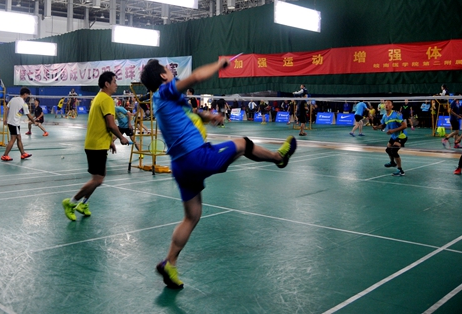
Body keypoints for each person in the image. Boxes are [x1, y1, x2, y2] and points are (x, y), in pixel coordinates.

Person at [138, 58, 296, 289]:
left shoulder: (159, 100)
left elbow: (189, 111)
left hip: (180, 166)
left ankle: (169, 263)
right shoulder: (166, 90)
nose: (170, 71)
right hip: (196, 157)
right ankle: (278, 158)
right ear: (163, 76)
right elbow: (196, 77)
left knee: (192, 216)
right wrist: (218, 65)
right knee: (243, 143)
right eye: (166, 69)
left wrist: (209, 117)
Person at [62, 72, 129, 221]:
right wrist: (121, 137)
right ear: (107, 84)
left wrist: (110, 141)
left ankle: (83, 204)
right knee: (97, 180)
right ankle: (71, 202)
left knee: (99, 178)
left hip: (97, 143)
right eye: (114, 81)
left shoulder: (98, 97)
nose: (116, 85)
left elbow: (99, 123)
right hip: (96, 146)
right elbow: (111, 124)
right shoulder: (106, 99)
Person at [374, 100, 408, 176]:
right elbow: (383, 125)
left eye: (388, 103)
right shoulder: (384, 116)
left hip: (401, 136)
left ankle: (400, 170)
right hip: (393, 136)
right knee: (388, 150)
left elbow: (404, 126)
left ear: (392, 106)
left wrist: (393, 130)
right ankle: (392, 162)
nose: (386, 104)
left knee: (394, 151)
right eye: (385, 103)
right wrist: (377, 127)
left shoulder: (396, 115)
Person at [1, 87, 35, 161]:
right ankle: (5, 155)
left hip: (10, 122)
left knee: (19, 137)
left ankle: (23, 154)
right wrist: (34, 122)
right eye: (27, 95)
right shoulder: (24, 104)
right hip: (15, 123)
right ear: (25, 94)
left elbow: (6, 109)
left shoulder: (13, 99)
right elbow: (29, 115)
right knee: (13, 139)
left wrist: (5, 119)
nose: (28, 96)